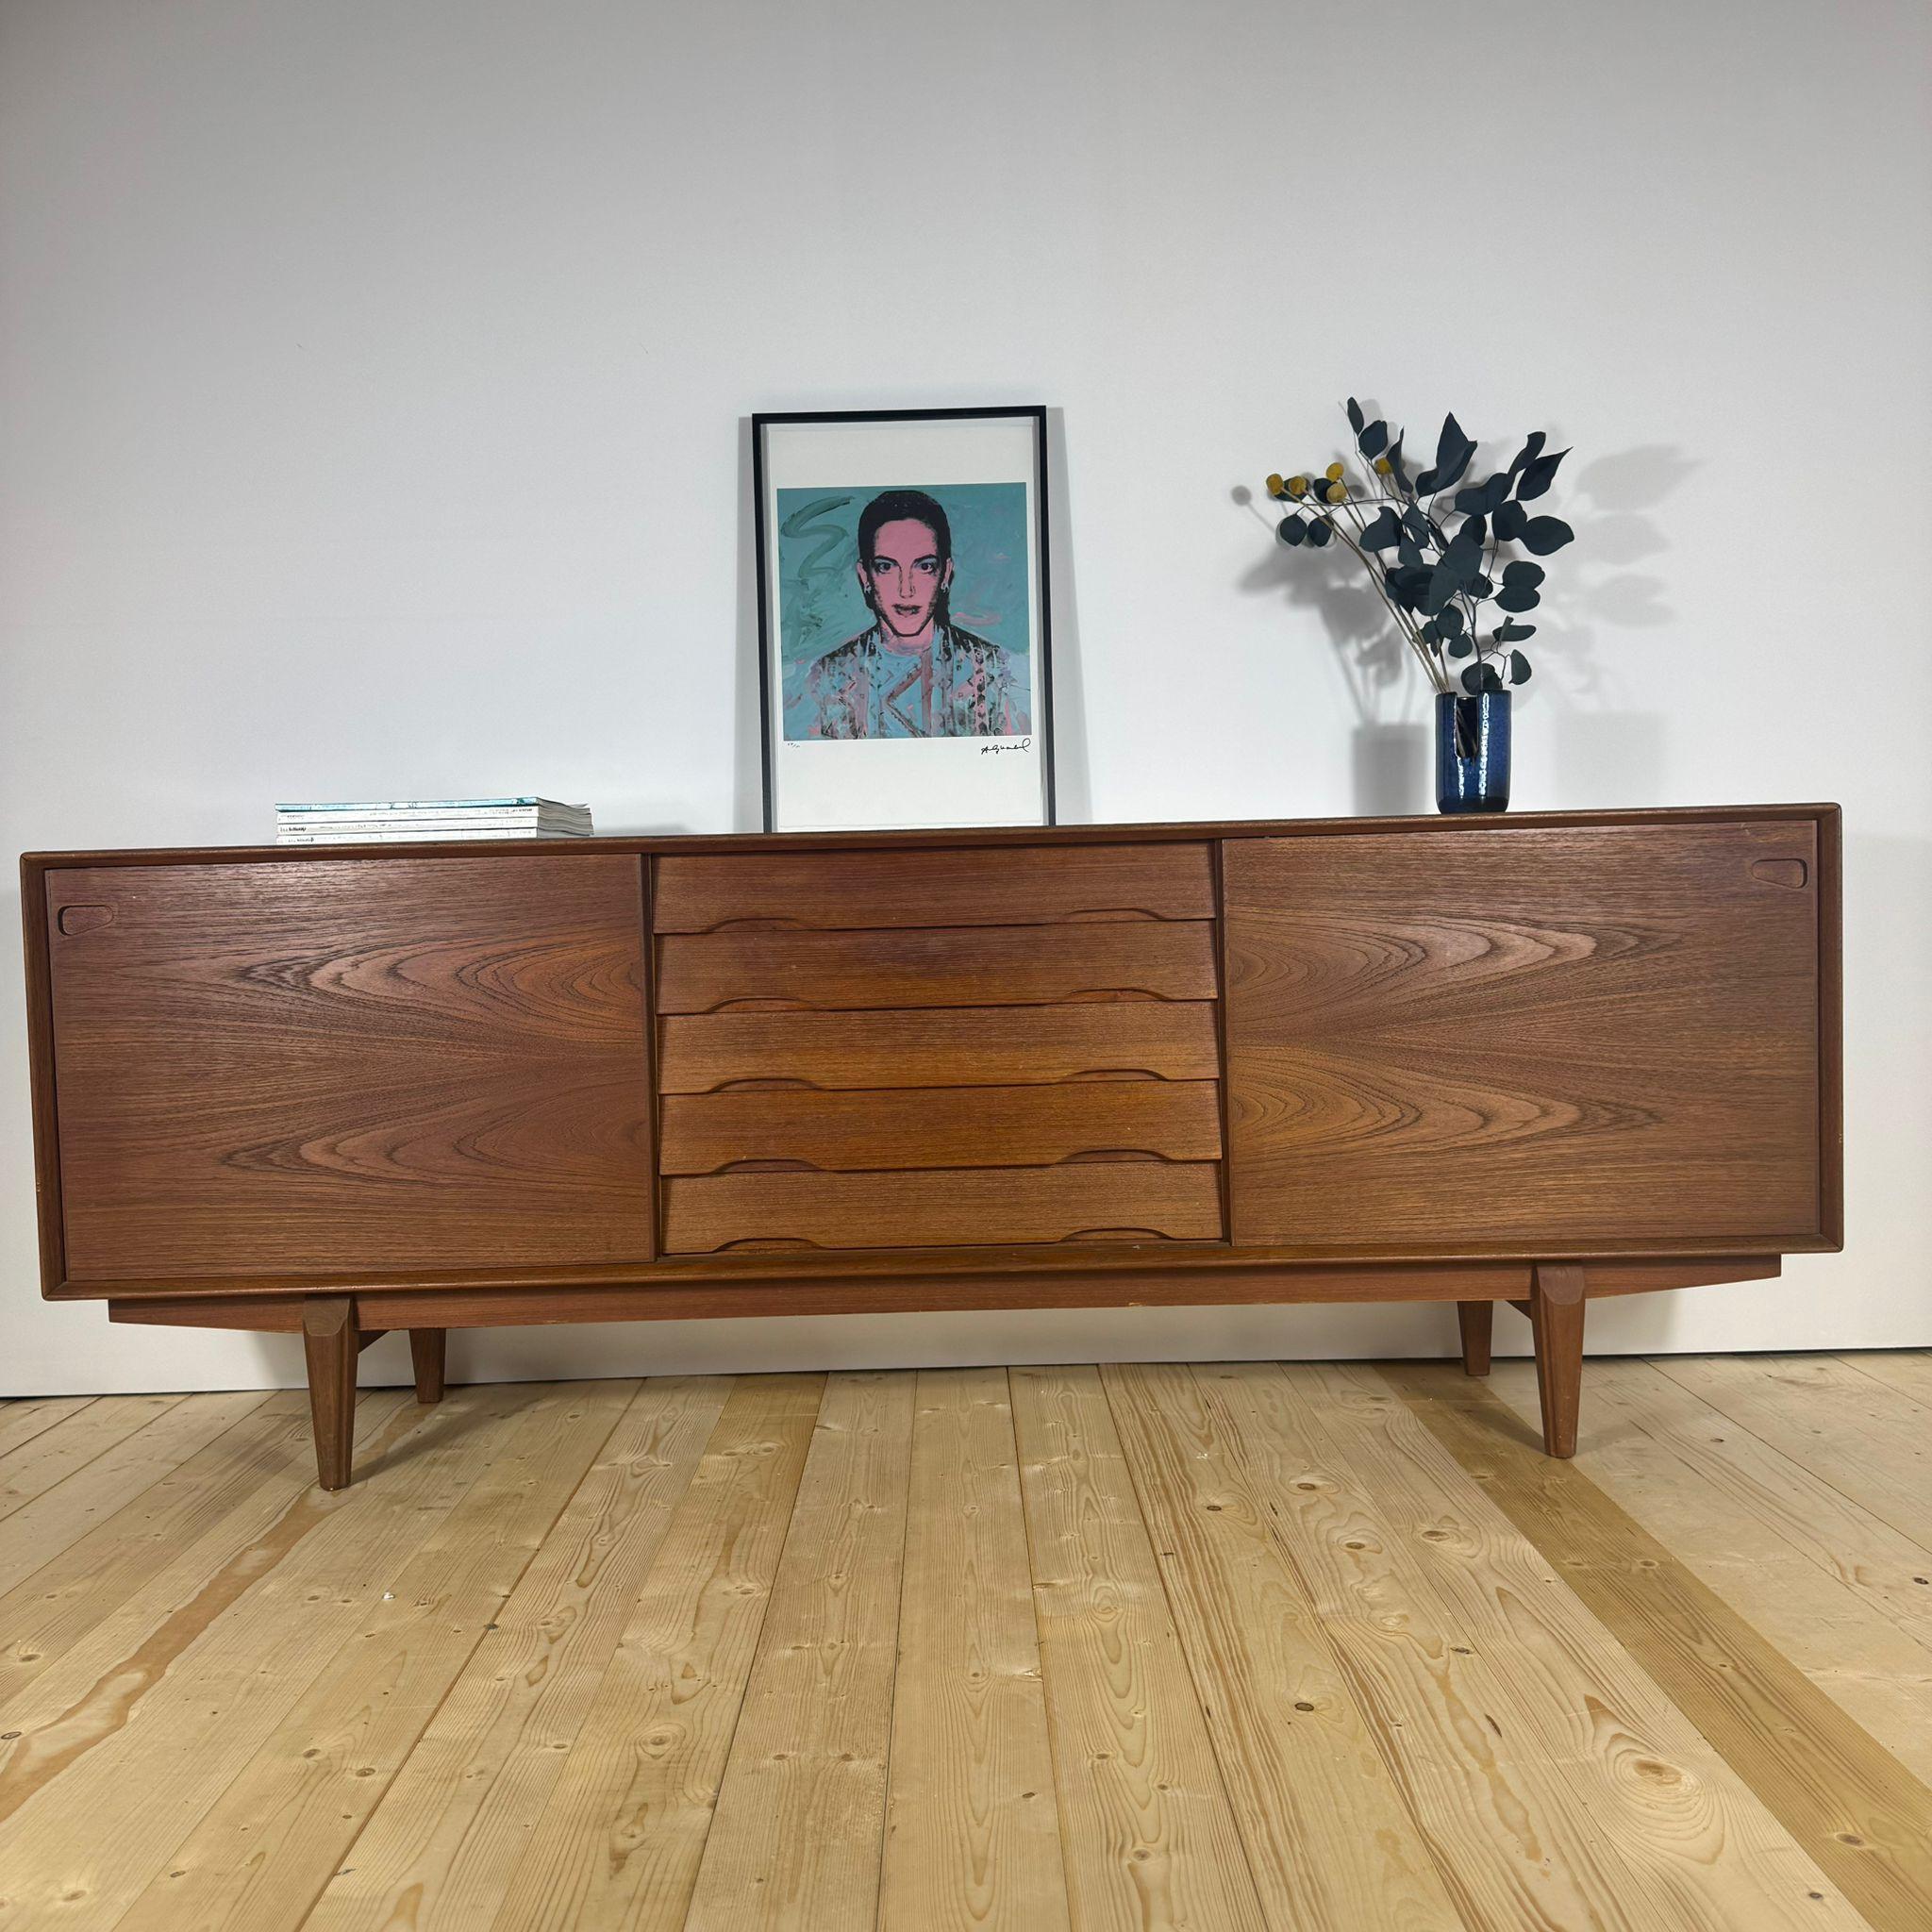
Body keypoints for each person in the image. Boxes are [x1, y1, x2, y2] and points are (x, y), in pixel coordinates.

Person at [797, 489, 1026, 739]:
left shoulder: (992, 670)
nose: (906, 590)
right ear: (865, 577)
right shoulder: (831, 677)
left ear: (945, 574)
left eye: (924, 566)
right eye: (886, 567)